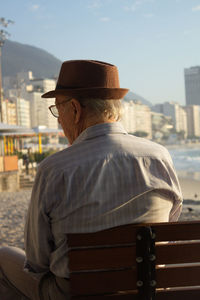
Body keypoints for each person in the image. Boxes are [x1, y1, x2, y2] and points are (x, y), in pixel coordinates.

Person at [0, 60, 183, 299]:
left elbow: (37, 262)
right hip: (145, 290)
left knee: (3, 257)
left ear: (75, 110)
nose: (58, 119)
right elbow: (168, 230)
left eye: (58, 109)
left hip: (76, 293)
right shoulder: (160, 156)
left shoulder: (54, 169)